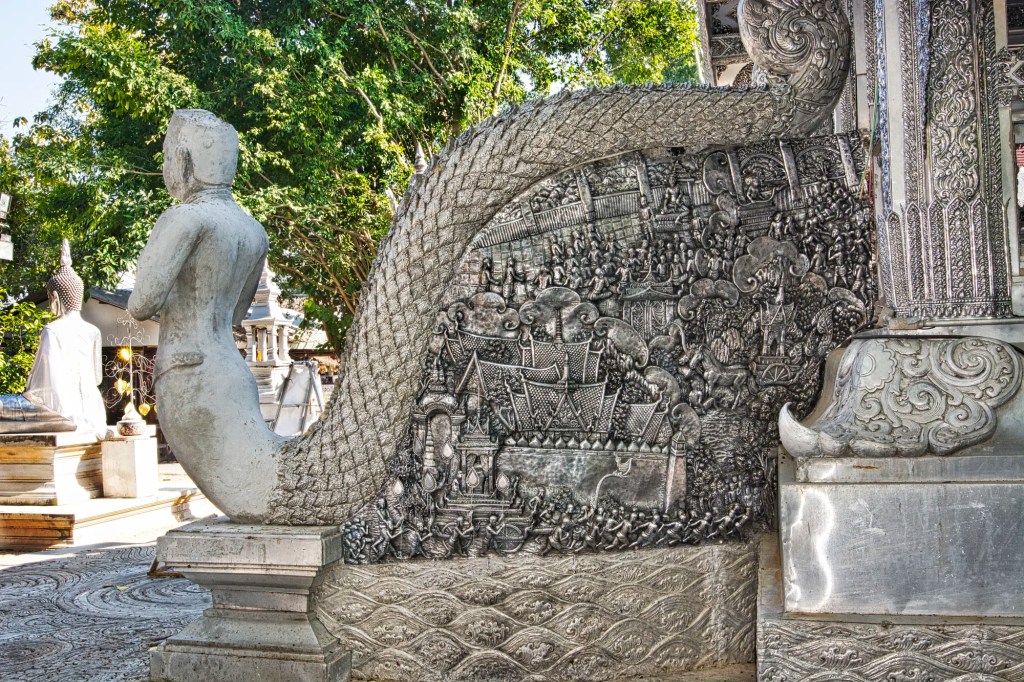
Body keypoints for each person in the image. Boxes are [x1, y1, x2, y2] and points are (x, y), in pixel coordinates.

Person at [128, 110, 283, 522]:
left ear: (183, 160)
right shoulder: (252, 230)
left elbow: (141, 304)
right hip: (231, 368)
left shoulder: (185, 218)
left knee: (250, 497)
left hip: (188, 370)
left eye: (167, 156)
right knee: (256, 485)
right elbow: (237, 313)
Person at [0, 240, 106, 437]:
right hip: (93, 412)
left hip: (60, 412)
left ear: (55, 297)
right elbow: (97, 378)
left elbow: (44, 386)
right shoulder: (93, 331)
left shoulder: (52, 330)